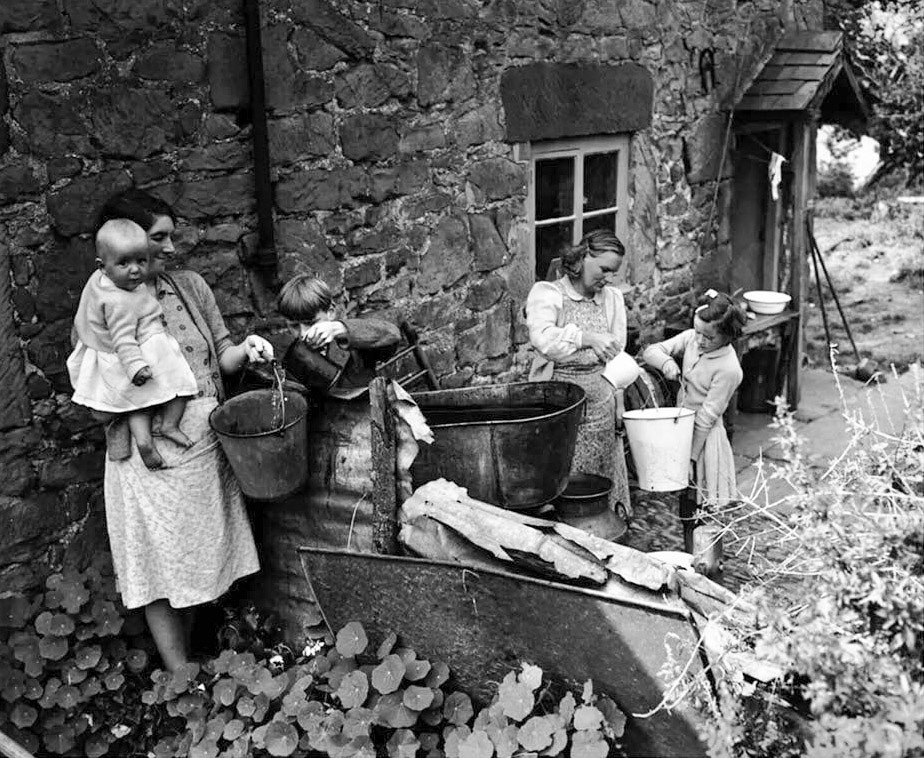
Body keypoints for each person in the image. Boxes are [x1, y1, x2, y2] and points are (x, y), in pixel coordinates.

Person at [91, 188, 275, 672]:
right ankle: (179, 675)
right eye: (159, 238)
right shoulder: (104, 306)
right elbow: (96, 390)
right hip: (148, 456)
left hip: (204, 443)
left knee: (204, 557)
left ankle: (204, 657)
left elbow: (221, 352)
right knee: (160, 562)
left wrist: (248, 349)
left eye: (171, 236)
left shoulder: (189, 287)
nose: (171, 248)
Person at [67, 219, 198, 470]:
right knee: (181, 382)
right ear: (102, 266)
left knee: (137, 402)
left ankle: (144, 440)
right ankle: (169, 424)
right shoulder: (119, 302)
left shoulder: (100, 283)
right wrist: (136, 366)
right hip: (134, 355)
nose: (135, 270)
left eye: (141, 260)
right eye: (124, 263)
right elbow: (123, 338)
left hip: (118, 356)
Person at [525, 229, 632, 528]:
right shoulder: (548, 293)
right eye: (604, 270)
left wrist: (618, 400)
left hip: (600, 400)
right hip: (558, 403)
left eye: (613, 273)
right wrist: (586, 338)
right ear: (583, 257)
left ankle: (599, 532)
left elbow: (616, 351)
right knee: (560, 474)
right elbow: (543, 340)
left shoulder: (611, 299)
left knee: (597, 476)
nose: (608, 278)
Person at [639, 289, 746, 550]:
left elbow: (706, 418)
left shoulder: (729, 369)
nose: (699, 340)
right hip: (683, 432)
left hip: (705, 441)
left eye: (708, 337)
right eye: (697, 331)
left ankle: (707, 563)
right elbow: (651, 351)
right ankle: (690, 557)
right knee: (686, 506)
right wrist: (667, 364)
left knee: (705, 508)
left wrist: (690, 458)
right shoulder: (691, 339)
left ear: (728, 336)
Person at [276, 273, 401, 398]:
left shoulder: (352, 340)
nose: (303, 334)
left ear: (330, 313)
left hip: (365, 411)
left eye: (311, 323)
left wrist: (341, 329)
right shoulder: (291, 352)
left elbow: (392, 335)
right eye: (294, 326)